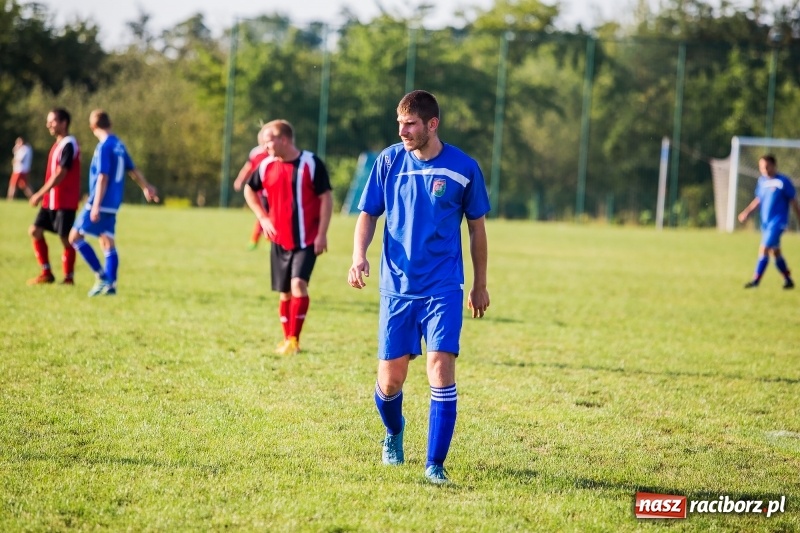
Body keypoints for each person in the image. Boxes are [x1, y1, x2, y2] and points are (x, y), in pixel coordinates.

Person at [347, 90, 491, 485]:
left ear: (432, 124)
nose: (402, 130)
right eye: (400, 123)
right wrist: (359, 255)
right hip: (397, 286)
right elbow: (368, 214)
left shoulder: (464, 168)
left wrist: (479, 284)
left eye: (410, 124)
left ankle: (434, 464)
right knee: (390, 381)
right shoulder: (389, 161)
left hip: (443, 286)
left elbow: (477, 229)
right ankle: (394, 431)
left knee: (440, 367)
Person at [243, 119, 333, 356]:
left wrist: (322, 233)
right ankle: (286, 339)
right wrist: (263, 218)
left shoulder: (310, 163)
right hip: (279, 240)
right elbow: (249, 189)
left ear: (283, 139)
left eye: (268, 141)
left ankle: (294, 340)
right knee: (284, 292)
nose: (265, 147)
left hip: (307, 239)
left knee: (298, 284)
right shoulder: (266, 165)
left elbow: (326, 198)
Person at [68, 109, 159, 297]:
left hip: (100, 201)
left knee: (75, 237)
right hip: (113, 203)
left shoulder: (104, 146)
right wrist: (146, 186)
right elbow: (133, 169)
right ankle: (111, 286)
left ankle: (102, 277)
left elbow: (103, 176)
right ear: (110, 123)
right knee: (107, 242)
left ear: (93, 127)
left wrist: (95, 205)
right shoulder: (119, 145)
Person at [27, 108, 81, 285]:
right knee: (35, 231)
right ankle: (47, 273)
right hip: (50, 201)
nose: (48, 124)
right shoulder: (58, 144)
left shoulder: (69, 144)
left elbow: (61, 173)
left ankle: (69, 278)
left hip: (65, 201)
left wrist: (39, 193)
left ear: (64, 123)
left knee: (66, 239)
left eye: (52, 121)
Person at [738, 154, 800, 289]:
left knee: (764, 248)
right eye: (761, 167)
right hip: (766, 223)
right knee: (775, 252)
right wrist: (747, 212)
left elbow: (794, 201)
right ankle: (788, 280)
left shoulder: (783, 181)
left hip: (778, 222)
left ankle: (755, 281)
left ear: (774, 166)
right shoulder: (762, 182)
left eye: (767, 167)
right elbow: (758, 200)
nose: (764, 170)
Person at [234, 127, 270, 250]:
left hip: (274, 190)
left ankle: (267, 240)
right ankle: (259, 240)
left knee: (270, 215)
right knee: (263, 214)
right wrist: (240, 179)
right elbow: (248, 167)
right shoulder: (255, 153)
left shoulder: (275, 153)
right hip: (260, 190)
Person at [7, 136, 34, 201]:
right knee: (25, 185)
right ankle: (33, 198)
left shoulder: (24, 149)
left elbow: (19, 159)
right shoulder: (28, 148)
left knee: (13, 185)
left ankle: (10, 199)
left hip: (19, 170)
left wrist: (14, 160)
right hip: (23, 170)